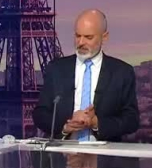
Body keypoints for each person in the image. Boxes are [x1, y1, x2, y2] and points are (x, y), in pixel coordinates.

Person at [33, 9, 139, 142]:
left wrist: (96, 123)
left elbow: (131, 120)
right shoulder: (56, 69)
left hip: (105, 153)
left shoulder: (122, 72)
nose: (81, 42)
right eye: (78, 36)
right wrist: (65, 126)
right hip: (63, 151)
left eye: (88, 37)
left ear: (104, 37)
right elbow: (40, 114)